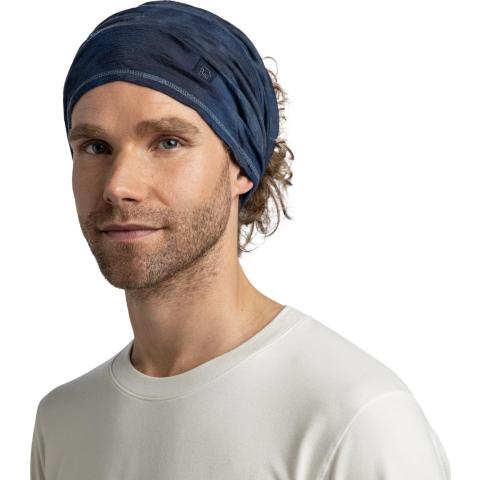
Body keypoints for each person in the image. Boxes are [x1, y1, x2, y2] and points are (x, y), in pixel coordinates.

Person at [30, 1, 451, 479]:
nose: (118, 185)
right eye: (95, 147)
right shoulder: (63, 421)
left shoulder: (354, 419)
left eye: (168, 142)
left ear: (241, 166)